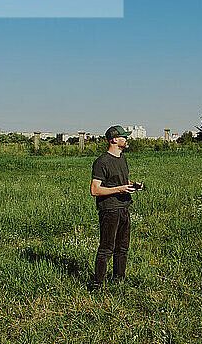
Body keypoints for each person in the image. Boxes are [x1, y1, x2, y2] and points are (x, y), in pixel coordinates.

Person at [88, 125, 142, 291]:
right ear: (113, 140)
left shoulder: (123, 158)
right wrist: (120, 189)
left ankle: (119, 280)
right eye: (124, 137)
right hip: (110, 209)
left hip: (125, 206)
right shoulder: (101, 162)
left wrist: (132, 185)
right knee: (106, 248)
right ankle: (97, 285)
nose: (127, 139)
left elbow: (120, 181)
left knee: (123, 247)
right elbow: (95, 190)